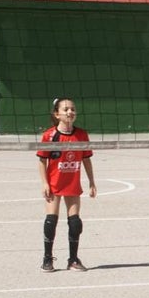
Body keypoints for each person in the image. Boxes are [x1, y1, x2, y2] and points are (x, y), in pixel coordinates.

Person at [37, 97, 96, 272]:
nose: (70, 112)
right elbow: (42, 161)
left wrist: (92, 182)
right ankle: (47, 259)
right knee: (51, 221)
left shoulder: (81, 135)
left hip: (72, 183)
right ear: (57, 114)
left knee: (75, 222)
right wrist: (44, 183)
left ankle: (73, 259)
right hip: (54, 183)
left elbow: (86, 160)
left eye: (72, 109)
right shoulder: (50, 135)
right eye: (65, 109)